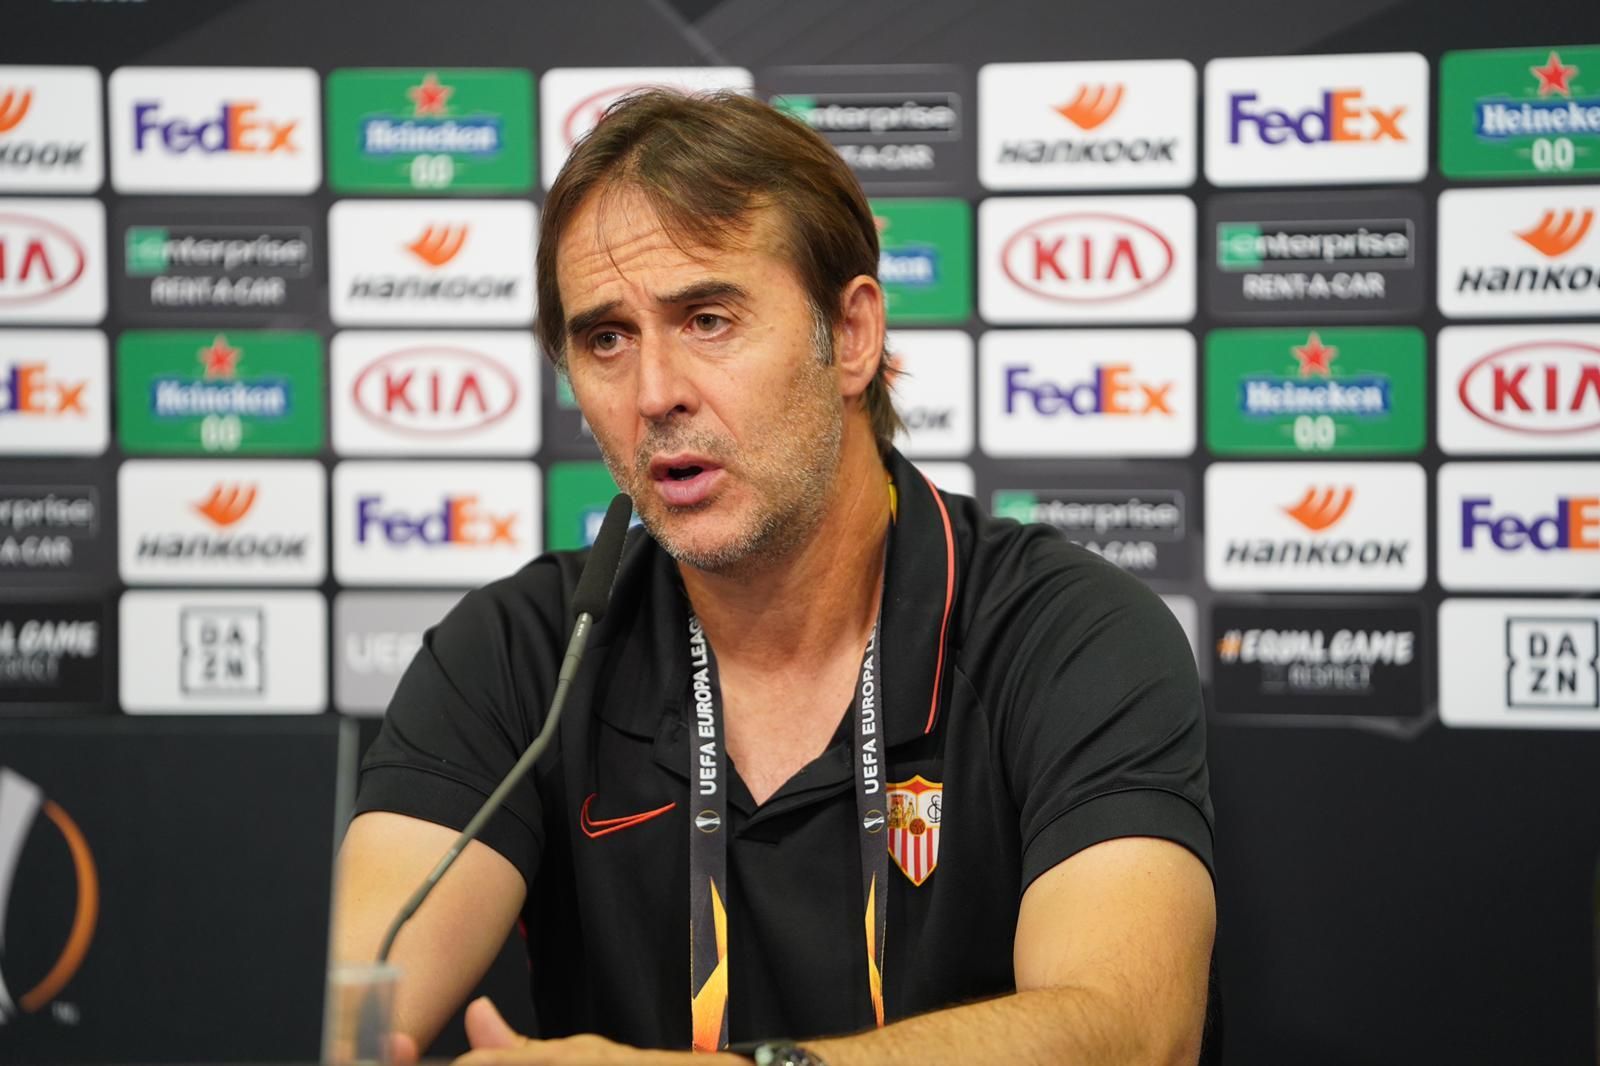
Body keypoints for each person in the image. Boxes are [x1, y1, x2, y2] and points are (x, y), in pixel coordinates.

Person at [334, 89, 1216, 1066]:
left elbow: (1134, 1033)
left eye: (706, 318)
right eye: (606, 339)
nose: (656, 391)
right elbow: (355, 1012)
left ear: (850, 336)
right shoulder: (521, 651)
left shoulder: (1065, 634)